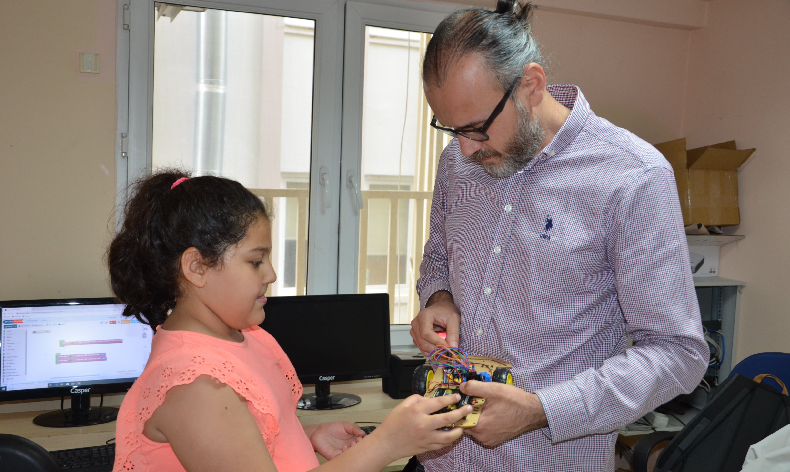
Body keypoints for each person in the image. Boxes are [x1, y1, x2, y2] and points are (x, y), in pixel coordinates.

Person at [409, 1, 710, 470]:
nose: (465, 149)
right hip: (442, 460)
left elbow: (679, 353)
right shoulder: (457, 163)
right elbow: (438, 258)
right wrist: (439, 297)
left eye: (477, 128)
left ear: (531, 85)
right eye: (451, 128)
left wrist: (543, 411)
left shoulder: (633, 176)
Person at [107, 171, 473, 472]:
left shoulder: (244, 336)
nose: (271, 274)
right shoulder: (195, 388)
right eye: (255, 262)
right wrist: (387, 444)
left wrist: (305, 434)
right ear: (197, 267)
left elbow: (249, 431)